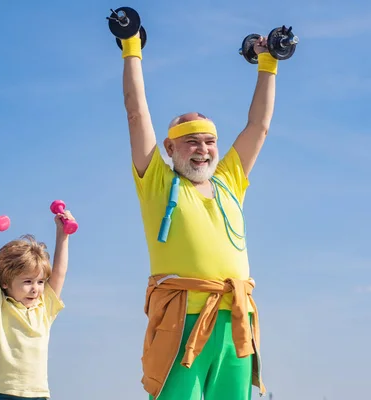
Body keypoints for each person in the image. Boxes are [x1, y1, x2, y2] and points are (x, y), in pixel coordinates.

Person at [119, 30, 278, 400]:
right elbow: (135, 112)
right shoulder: (157, 182)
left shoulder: (230, 182)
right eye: (192, 141)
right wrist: (131, 47)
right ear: (170, 147)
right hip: (182, 319)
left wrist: (268, 63)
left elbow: (259, 126)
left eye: (209, 141)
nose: (203, 149)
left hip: (235, 320)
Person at [0, 206, 76, 400]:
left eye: (40, 282)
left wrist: (63, 234)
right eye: (27, 282)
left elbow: (59, 272)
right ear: (5, 282)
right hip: (1, 393)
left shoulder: (44, 309)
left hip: (38, 395)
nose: (35, 288)